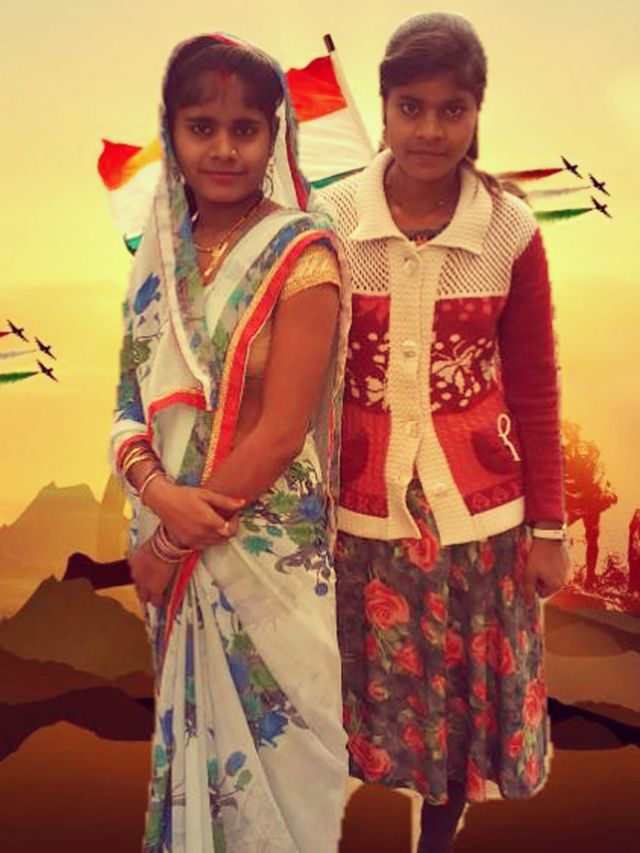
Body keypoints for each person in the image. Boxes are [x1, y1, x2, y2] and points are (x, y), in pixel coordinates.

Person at [318, 13, 570, 852]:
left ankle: (438, 830)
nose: (431, 130)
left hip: (480, 517)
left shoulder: (508, 231)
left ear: (477, 113)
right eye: (412, 107)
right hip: (360, 509)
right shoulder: (330, 220)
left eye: (452, 110)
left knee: (459, 694)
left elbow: (535, 380)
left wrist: (548, 526)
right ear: (384, 108)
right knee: (360, 684)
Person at [110, 33, 350, 852]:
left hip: (264, 546)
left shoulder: (302, 252)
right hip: (170, 534)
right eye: (201, 126)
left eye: (244, 129)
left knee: (284, 777)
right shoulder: (156, 259)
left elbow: (283, 430)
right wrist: (157, 498)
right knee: (195, 760)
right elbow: (128, 402)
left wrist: (170, 541)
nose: (222, 148)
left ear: (273, 135)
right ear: (171, 132)